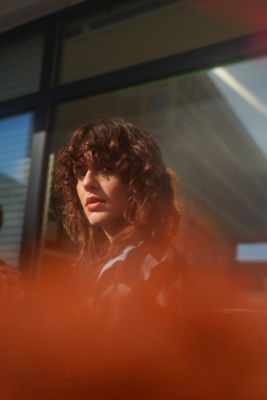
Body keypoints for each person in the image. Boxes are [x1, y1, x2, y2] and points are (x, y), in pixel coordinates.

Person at [54, 117, 194, 322]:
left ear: (139, 181)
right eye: (80, 172)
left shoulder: (132, 266)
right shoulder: (156, 255)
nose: (87, 182)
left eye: (104, 168)